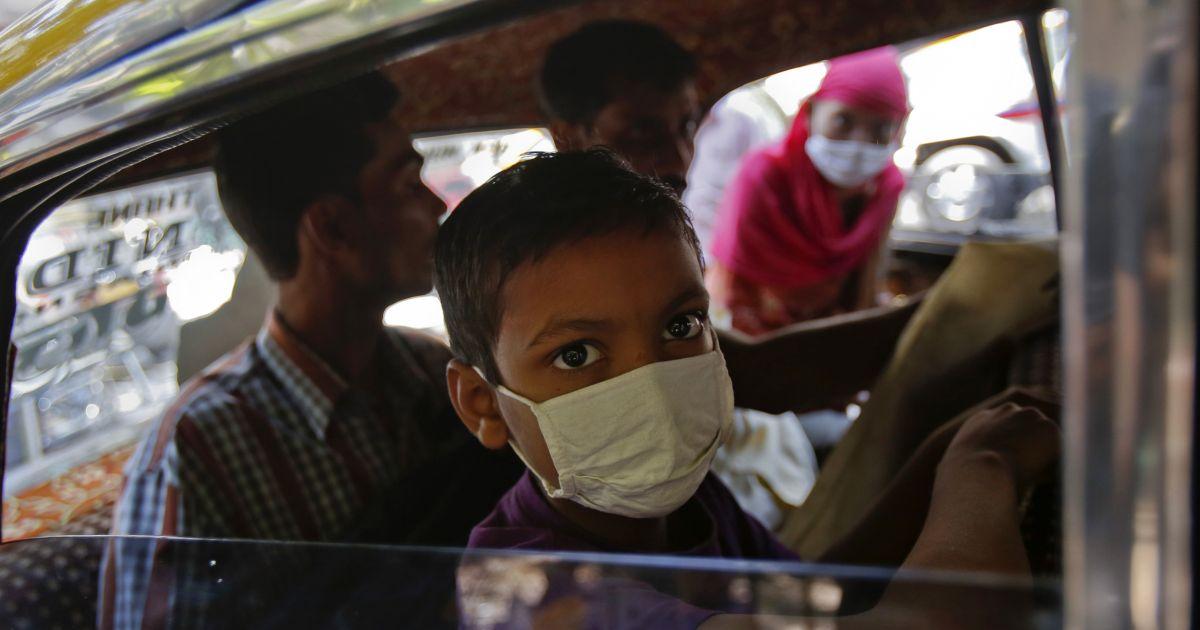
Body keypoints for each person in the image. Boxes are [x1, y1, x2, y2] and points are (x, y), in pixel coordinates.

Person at [436, 150, 1059, 628]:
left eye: (681, 326)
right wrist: (984, 466)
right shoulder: (526, 591)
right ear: (483, 405)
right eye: (577, 355)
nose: (651, 386)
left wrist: (941, 455)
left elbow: (813, 599)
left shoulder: (694, 505)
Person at [101, 73, 522, 628]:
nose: (437, 204)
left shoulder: (430, 369)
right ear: (333, 228)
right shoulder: (199, 452)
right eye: (407, 185)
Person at [709, 47, 910, 335]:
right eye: (843, 121)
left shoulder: (885, 188)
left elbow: (865, 290)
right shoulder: (763, 175)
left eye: (880, 130)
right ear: (811, 111)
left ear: (899, 130)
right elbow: (733, 293)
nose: (859, 144)